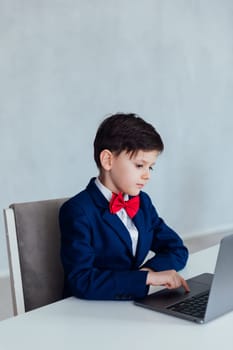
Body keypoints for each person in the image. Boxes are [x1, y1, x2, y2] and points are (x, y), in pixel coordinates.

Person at [59, 113, 189, 300]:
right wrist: (146, 278)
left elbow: (177, 249)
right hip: (88, 313)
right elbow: (82, 281)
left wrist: (148, 271)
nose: (147, 175)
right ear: (108, 161)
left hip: (129, 303)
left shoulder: (143, 203)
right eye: (139, 165)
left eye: (150, 167)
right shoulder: (78, 211)